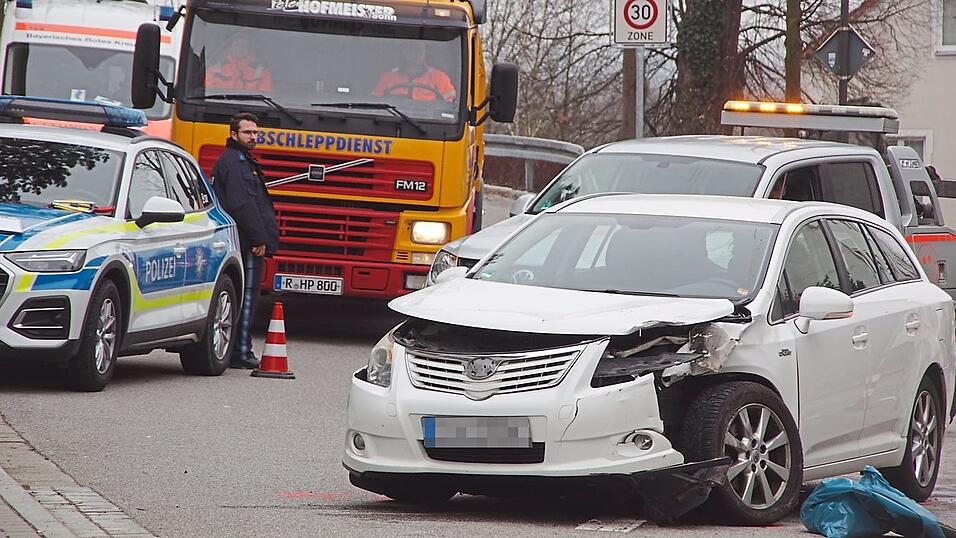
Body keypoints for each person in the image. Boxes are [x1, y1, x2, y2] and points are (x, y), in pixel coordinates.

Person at [211, 113, 279, 369]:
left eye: (255, 132)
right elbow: (242, 204)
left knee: (242, 296)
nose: (253, 136)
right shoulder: (234, 162)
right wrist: (259, 237)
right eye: (248, 132)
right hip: (246, 241)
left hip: (244, 239)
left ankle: (238, 349)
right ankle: (240, 351)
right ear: (233, 134)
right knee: (246, 297)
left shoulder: (243, 161)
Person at [371, 42, 456, 102]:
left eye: (419, 49)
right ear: (403, 51)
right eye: (411, 49)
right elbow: (374, 101)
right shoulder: (388, 77)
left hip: (429, 124)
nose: (416, 53)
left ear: (425, 52)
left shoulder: (439, 77)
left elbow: (450, 104)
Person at [205, 36, 273, 92]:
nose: (240, 48)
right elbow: (208, 94)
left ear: (249, 48)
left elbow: (263, 98)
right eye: (237, 44)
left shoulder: (263, 72)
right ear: (230, 46)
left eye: (244, 44)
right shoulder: (213, 70)